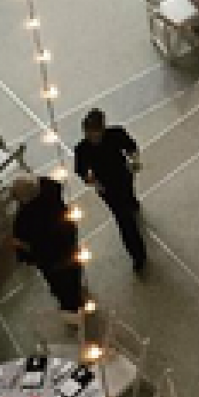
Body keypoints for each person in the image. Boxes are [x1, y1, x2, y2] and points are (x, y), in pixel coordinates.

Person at [73, 109, 147, 274]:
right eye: (88, 133)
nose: (92, 137)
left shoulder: (116, 134)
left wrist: (134, 160)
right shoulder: (82, 149)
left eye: (95, 133)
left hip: (123, 176)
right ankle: (138, 255)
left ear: (102, 128)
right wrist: (93, 182)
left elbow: (131, 146)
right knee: (123, 220)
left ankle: (132, 203)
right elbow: (81, 170)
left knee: (128, 198)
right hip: (107, 187)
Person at [10, 172, 84, 313]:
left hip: (50, 258)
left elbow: (26, 246)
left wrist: (21, 248)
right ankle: (77, 290)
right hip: (67, 240)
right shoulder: (50, 190)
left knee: (59, 283)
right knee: (74, 266)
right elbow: (48, 181)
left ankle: (70, 306)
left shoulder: (24, 219)